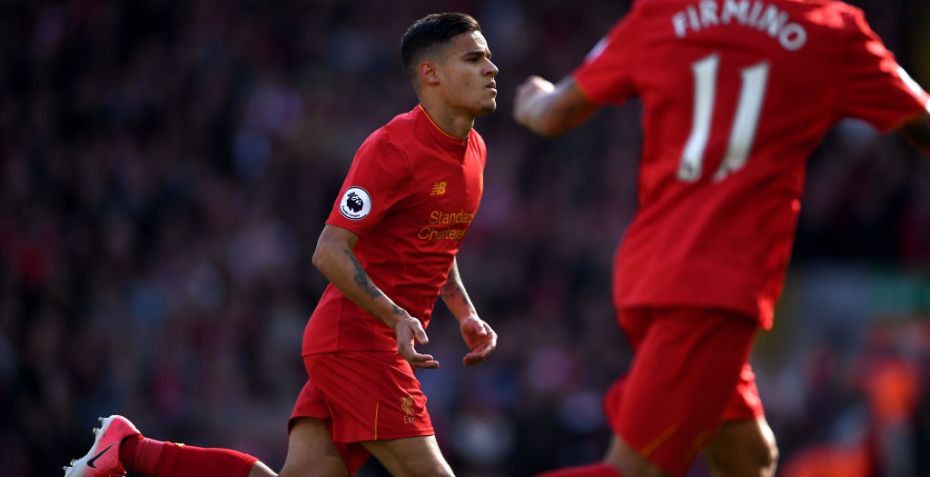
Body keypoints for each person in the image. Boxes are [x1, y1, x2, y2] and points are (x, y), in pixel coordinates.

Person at [64, 12, 499, 477]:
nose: (491, 68)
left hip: (372, 344)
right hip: (357, 342)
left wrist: (464, 313)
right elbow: (328, 251)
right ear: (430, 73)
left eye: (488, 57)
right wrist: (395, 316)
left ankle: (129, 449)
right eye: (473, 59)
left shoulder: (475, 151)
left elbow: (436, 239)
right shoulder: (393, 148)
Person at [513, 1, 930, 476]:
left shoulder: (661, 14)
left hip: (649, 273)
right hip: (716, 288)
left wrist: (533, 99)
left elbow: (553, 114)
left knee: (750, 459)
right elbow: (921, 121)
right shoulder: (828, 28)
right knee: (636, 471)